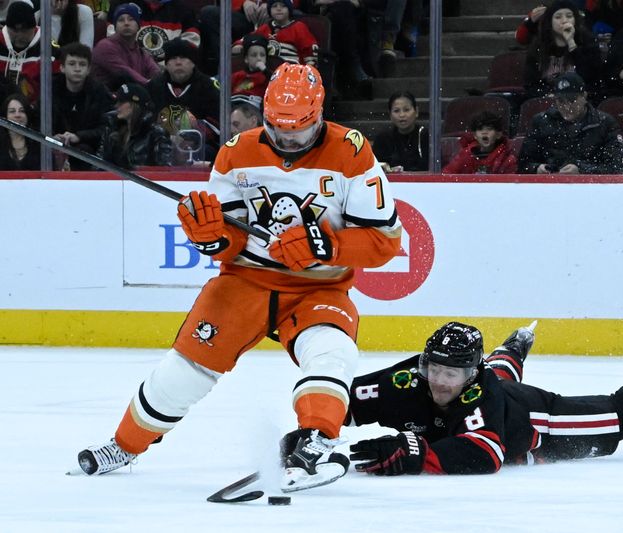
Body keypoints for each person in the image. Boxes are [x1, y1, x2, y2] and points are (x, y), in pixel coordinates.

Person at [76, 63, 403, 493]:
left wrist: (323, 245)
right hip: (244, 281)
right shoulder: (236, 151)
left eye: (298, 133)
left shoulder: (352, 152)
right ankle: (124, 444)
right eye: (276, 129)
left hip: (318, 287)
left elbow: (385, 241)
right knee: (183, 372)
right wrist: (210, 236)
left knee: (333, 351)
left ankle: (318, 440)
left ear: (320, 115)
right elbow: (228, 240)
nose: (286, 141)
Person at [347, 295, 623, 475]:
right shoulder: (413, 377)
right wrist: (311, 427)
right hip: (498, 386)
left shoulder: (483, 392)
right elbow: (344, 399)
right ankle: (515, 344)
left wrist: (419, 456)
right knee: (501, 375)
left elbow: (488, 453)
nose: (439, 380)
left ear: (470, 375)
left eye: (452, 373)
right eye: (434, 369)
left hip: (538, 420)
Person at [517, 71, 623, 174]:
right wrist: (536, 169)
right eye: (561, 101)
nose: (567, 107)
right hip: (549, 186)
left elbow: (615, 167)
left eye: (572, 100)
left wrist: (582, 170)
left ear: (584, 96)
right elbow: (523, 164)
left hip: (591, 188)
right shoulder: (540, 121)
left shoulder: (605, 123)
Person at [147, 38, 221, 161]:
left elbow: (217, 122)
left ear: (193, 63)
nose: (178, 62)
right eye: (173, 58)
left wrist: (191, 135)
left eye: (183, 58)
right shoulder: (154, 86)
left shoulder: (207, 86)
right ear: (166, 64)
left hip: (199, 145)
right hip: (160, 142)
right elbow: (147, 118)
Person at [520, 0, 604, 100]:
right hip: (547, 100)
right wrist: (548, 95)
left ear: (575, 19)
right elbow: (530, 84)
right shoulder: (540, 45)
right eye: (558, 17)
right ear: (550, 21)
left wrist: (571, 43)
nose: (564, 21)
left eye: (569, 16)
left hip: (580, 100)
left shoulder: (587, 41)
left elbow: (590, 77)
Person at [51, 42, 115, 170]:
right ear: (62, 67)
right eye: (72, 64)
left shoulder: (99, 92)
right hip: (53, 145)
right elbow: (37, 121)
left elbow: (107, 128)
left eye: (82, 64)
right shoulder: (50, 89)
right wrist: (52, 136)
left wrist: (79, 136)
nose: (77, 68)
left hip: (88, 149)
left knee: (83, 151)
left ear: (88, 69)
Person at [96, 82, 172, 168]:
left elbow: (164, 170)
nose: (116, 106)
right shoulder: (112, 128)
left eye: (121, 102)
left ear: (135, 105)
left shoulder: (156, 133)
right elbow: (99, 163)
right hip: (113, 180)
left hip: (144, 180)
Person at [91, 3, 161, 89]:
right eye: (121, 20)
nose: (126, 23)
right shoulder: (105, 46)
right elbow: (125, 73)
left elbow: (155, 71)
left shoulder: (140, 51)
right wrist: (150, 84)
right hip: (108, 98)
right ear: (115, 26)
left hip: (134, 97)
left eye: (131, 19)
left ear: (138, 25)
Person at [236, 0, 318, 68]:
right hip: (268, 71)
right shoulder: (265, 28)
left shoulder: (299, 27)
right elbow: (250, 38)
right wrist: (239, 45)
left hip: (292, 71)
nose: (278, 9)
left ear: (289, 9)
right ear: (269, 10)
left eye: (283, 6)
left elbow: (310, 50)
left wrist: (310, 68)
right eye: (274, 6)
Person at [0, 1, 49, 104]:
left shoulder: (49, 49)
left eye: (25, 31)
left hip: (34, 113)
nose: (20, 36)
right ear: (7, 27)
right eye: (14, 31)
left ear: (34, 27)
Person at [442, 110, 518, 174]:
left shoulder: (507, 159)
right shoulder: (466, 155)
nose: (484, 132)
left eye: (489, 129)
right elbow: (447, 174)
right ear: (475, 135)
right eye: (480, 129)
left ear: (498, 134)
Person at [371, 90, 428, 172]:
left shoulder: (426, 136)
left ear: (416, 112)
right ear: (390, 114)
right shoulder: (382, 139)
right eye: (396, 111)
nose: (402, 115)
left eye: (407, 110)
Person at [0, 92, 39, 170]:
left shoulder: (38, 144)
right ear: (5, 116)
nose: (17, 115)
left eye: (22, 111)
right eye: (12, 111)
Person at [231, 33, 271, 100]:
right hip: (235, 102)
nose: (259, 58)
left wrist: (265, 70)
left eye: (262, 55)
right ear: (246, 59)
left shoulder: (266, 76)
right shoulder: (237, 75)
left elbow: (275, 83)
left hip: (254, 104)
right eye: (254, 55)